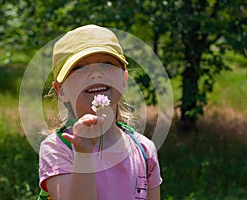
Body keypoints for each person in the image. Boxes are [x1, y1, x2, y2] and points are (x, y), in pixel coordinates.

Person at [39, 24, 162, 200]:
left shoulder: (144, 149)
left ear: (124, 80)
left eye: (107, 64)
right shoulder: (58, 149)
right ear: (61, 91)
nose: (95, 74)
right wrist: (83, 155)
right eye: (79, 68)